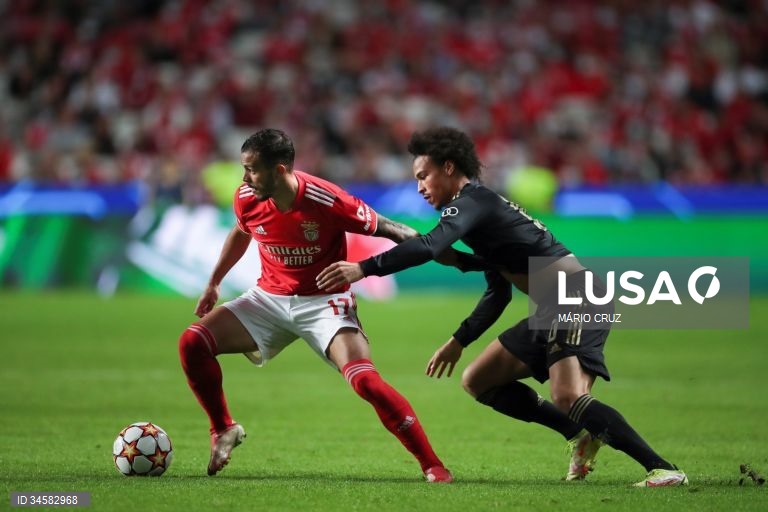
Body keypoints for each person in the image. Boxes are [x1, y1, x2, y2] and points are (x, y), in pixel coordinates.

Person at [316, 126, 689, 487]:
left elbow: (429, 246)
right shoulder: (479, 215)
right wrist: (459, 339)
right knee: (478, 380)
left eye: (423, 175)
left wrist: (363, 268)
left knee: (568, 396)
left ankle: (663, 469)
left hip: (577, 296)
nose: (419, 188)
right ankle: (579, 434)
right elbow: (500, 291)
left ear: (448, 167)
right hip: (554, 306)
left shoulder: (472, 202)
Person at [179, 128, 454, 482]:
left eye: (252, 169)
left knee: (365, 381)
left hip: (325, 302)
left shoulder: (327, 200)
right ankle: (223, 429)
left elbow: (391, 229)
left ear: (279, 170)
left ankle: (432, 464)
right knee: (193, 342)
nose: (245, 177)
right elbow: (241, 231)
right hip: (269, 298)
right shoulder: (247, 196)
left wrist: (446, 253)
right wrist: (214, 282)